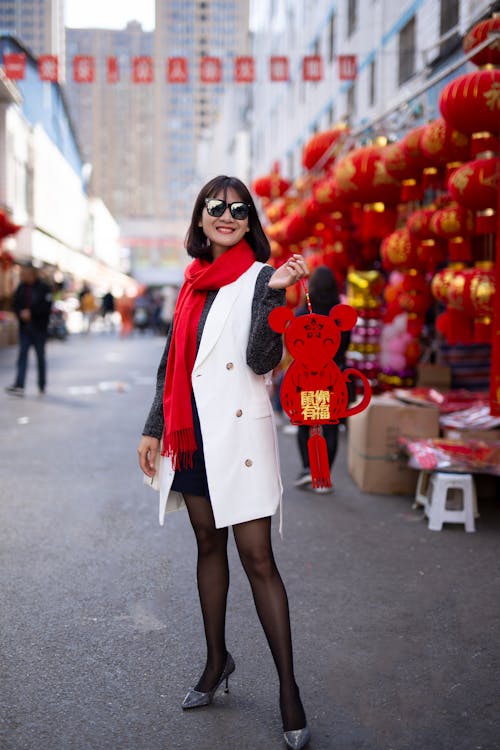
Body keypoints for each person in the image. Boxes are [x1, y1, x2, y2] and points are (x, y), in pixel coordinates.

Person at [137, 175, 311, 750]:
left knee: (258, 558)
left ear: (248, 220)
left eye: (238, 209)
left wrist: (273, 294)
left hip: (237, 434)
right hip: (191, 438)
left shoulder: (261, 277)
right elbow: (173, 364)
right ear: (201, 218)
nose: (227, 215)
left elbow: (261, 359)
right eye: (217, 207)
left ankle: (289, 689)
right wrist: (153, 427)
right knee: (207, 544)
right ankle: (217, 663)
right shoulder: (190, 283)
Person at [293, 265, 351, 493]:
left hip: (309, 376)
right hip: (334, 375)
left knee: (306, 424)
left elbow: (294, 345)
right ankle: (323, 476)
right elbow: (345, 345)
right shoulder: (341, 313)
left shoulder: (304, 313)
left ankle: (308, 469)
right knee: (330, 426)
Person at [5, 262, 52, 396]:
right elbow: (15, 304)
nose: (23, 276)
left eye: (25, 273)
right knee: (22, 355)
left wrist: (32, 312)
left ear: (32, 274)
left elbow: (47, 307)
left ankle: (42, 384)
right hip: (25, 328)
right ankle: (19, 384)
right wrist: (21, 313)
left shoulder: (44, 288)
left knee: (40, 357)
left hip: (39, 328)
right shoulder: (21, 287)